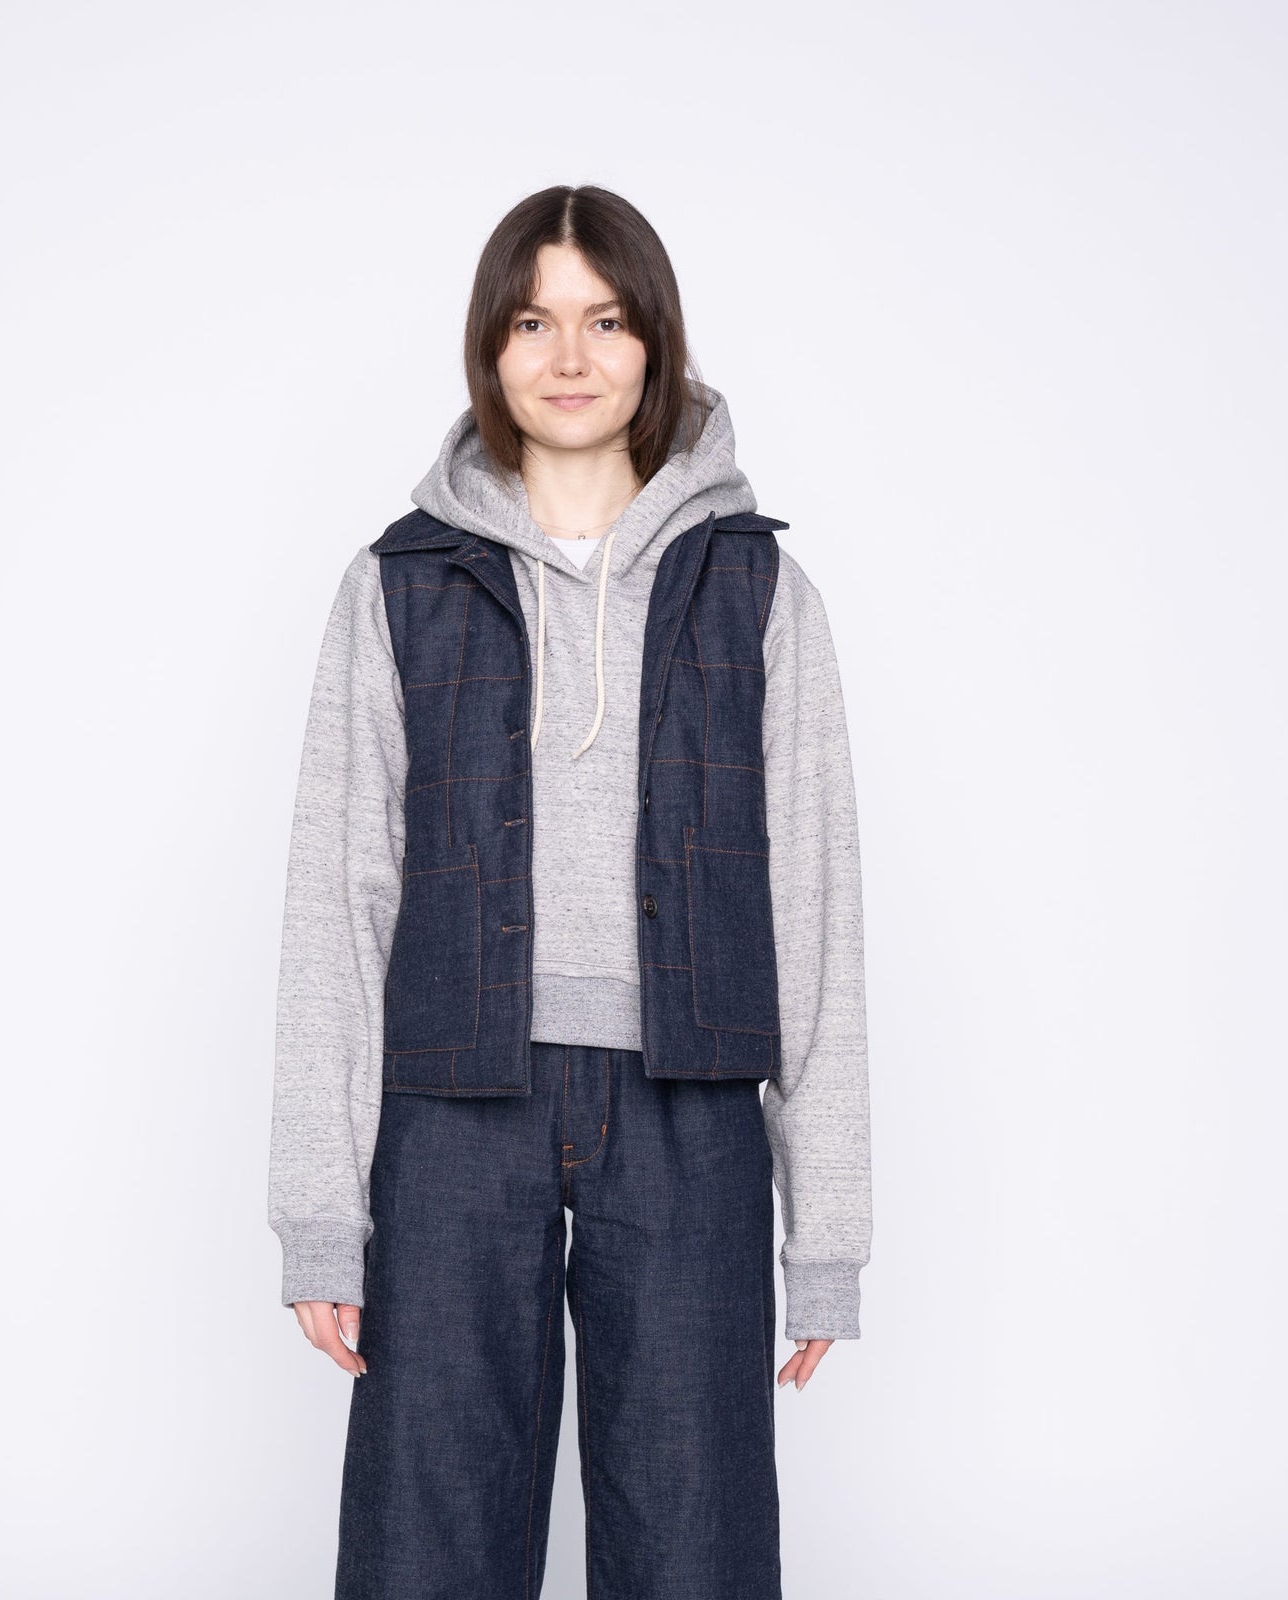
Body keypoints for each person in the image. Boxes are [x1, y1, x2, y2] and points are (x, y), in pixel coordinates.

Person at [266, 183, 872, 1600]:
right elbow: (337, 906)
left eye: (604, 321)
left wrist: (828, 1239)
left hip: (689, 1111)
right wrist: (320, 1215)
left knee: (694, 1537)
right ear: (491, 347)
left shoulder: (759, 591)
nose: (570, 357)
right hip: (450, 1111)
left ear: (655, 341)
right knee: (428, 1535)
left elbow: (816, 914)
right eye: (533, 323)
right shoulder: (398, 585)